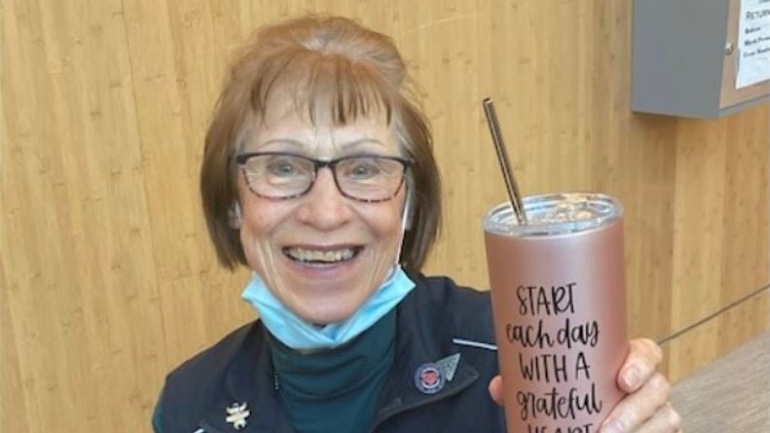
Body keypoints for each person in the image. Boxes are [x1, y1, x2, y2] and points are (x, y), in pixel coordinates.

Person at [153, 15, 682, 433]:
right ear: (233, 201)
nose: (326, 213)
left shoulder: (518, 353)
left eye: (364, 169)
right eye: (284, 167)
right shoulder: (189, 406)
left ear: (408, 206)